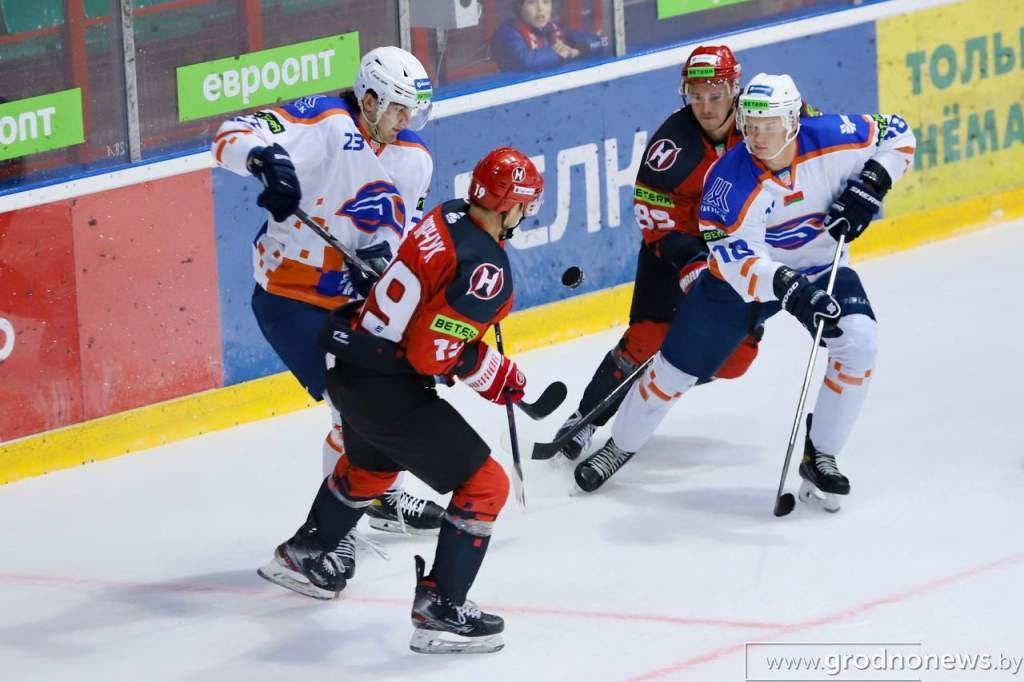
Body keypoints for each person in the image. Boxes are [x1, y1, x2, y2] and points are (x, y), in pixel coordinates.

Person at [576, 73, 916, 510]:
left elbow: (898, 134)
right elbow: (736, 261)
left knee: (859, 343)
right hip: (739, 283)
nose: (756, 135)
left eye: (768, 124)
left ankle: (821, 455)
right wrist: (787, 286)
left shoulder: (833, 135)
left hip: (816, 265)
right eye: (750, 124)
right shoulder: (727, 180)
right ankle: (620, 445)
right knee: (675, 369)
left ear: (794, 120)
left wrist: (871, 183)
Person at [257, 147, 544, 655]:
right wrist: (488, 370)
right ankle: (442, 610)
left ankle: (307, 552)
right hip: (388, 387)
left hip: (350, 366)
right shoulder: (486, 269)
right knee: (486, 485)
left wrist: (473, 355)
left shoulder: (448, 215)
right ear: (507, 206)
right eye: (523, 204)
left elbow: (426, 312)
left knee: (372, 466)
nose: (523, 214)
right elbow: (431, 354)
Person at [210, 46, 446, 559]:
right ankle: (331, 537)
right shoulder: (322, 122)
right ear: (368, 99)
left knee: (384, 398)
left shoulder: (414, 158)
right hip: (289, 299)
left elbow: (399, 234)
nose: (407, 121)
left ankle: (376, 498)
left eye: (413, 111)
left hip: (353, 300)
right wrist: (263, 160)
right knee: (353, 410)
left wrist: (385, 259)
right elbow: (228, 134)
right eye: (398, 109)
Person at [550, 46, 763, 462]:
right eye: (696, 95)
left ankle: (652, 382)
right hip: (674, 249)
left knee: (736, 358)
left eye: (715, 95)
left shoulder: (764, 117)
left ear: (736, 89)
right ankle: (585, 418)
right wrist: (688, 259)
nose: (704, 105)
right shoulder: (671, 146)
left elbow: (812, 146)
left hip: (740, 251)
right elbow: (654, 217)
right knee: (647, 337)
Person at [491, 0, 608, 73]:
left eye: (546, 2)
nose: (540, 9)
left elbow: (599, 42)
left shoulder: (552, 29)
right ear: (519, 7)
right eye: (531, 2)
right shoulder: (508, 33)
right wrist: (559, 54)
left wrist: (577, 50)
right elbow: (525, 61)